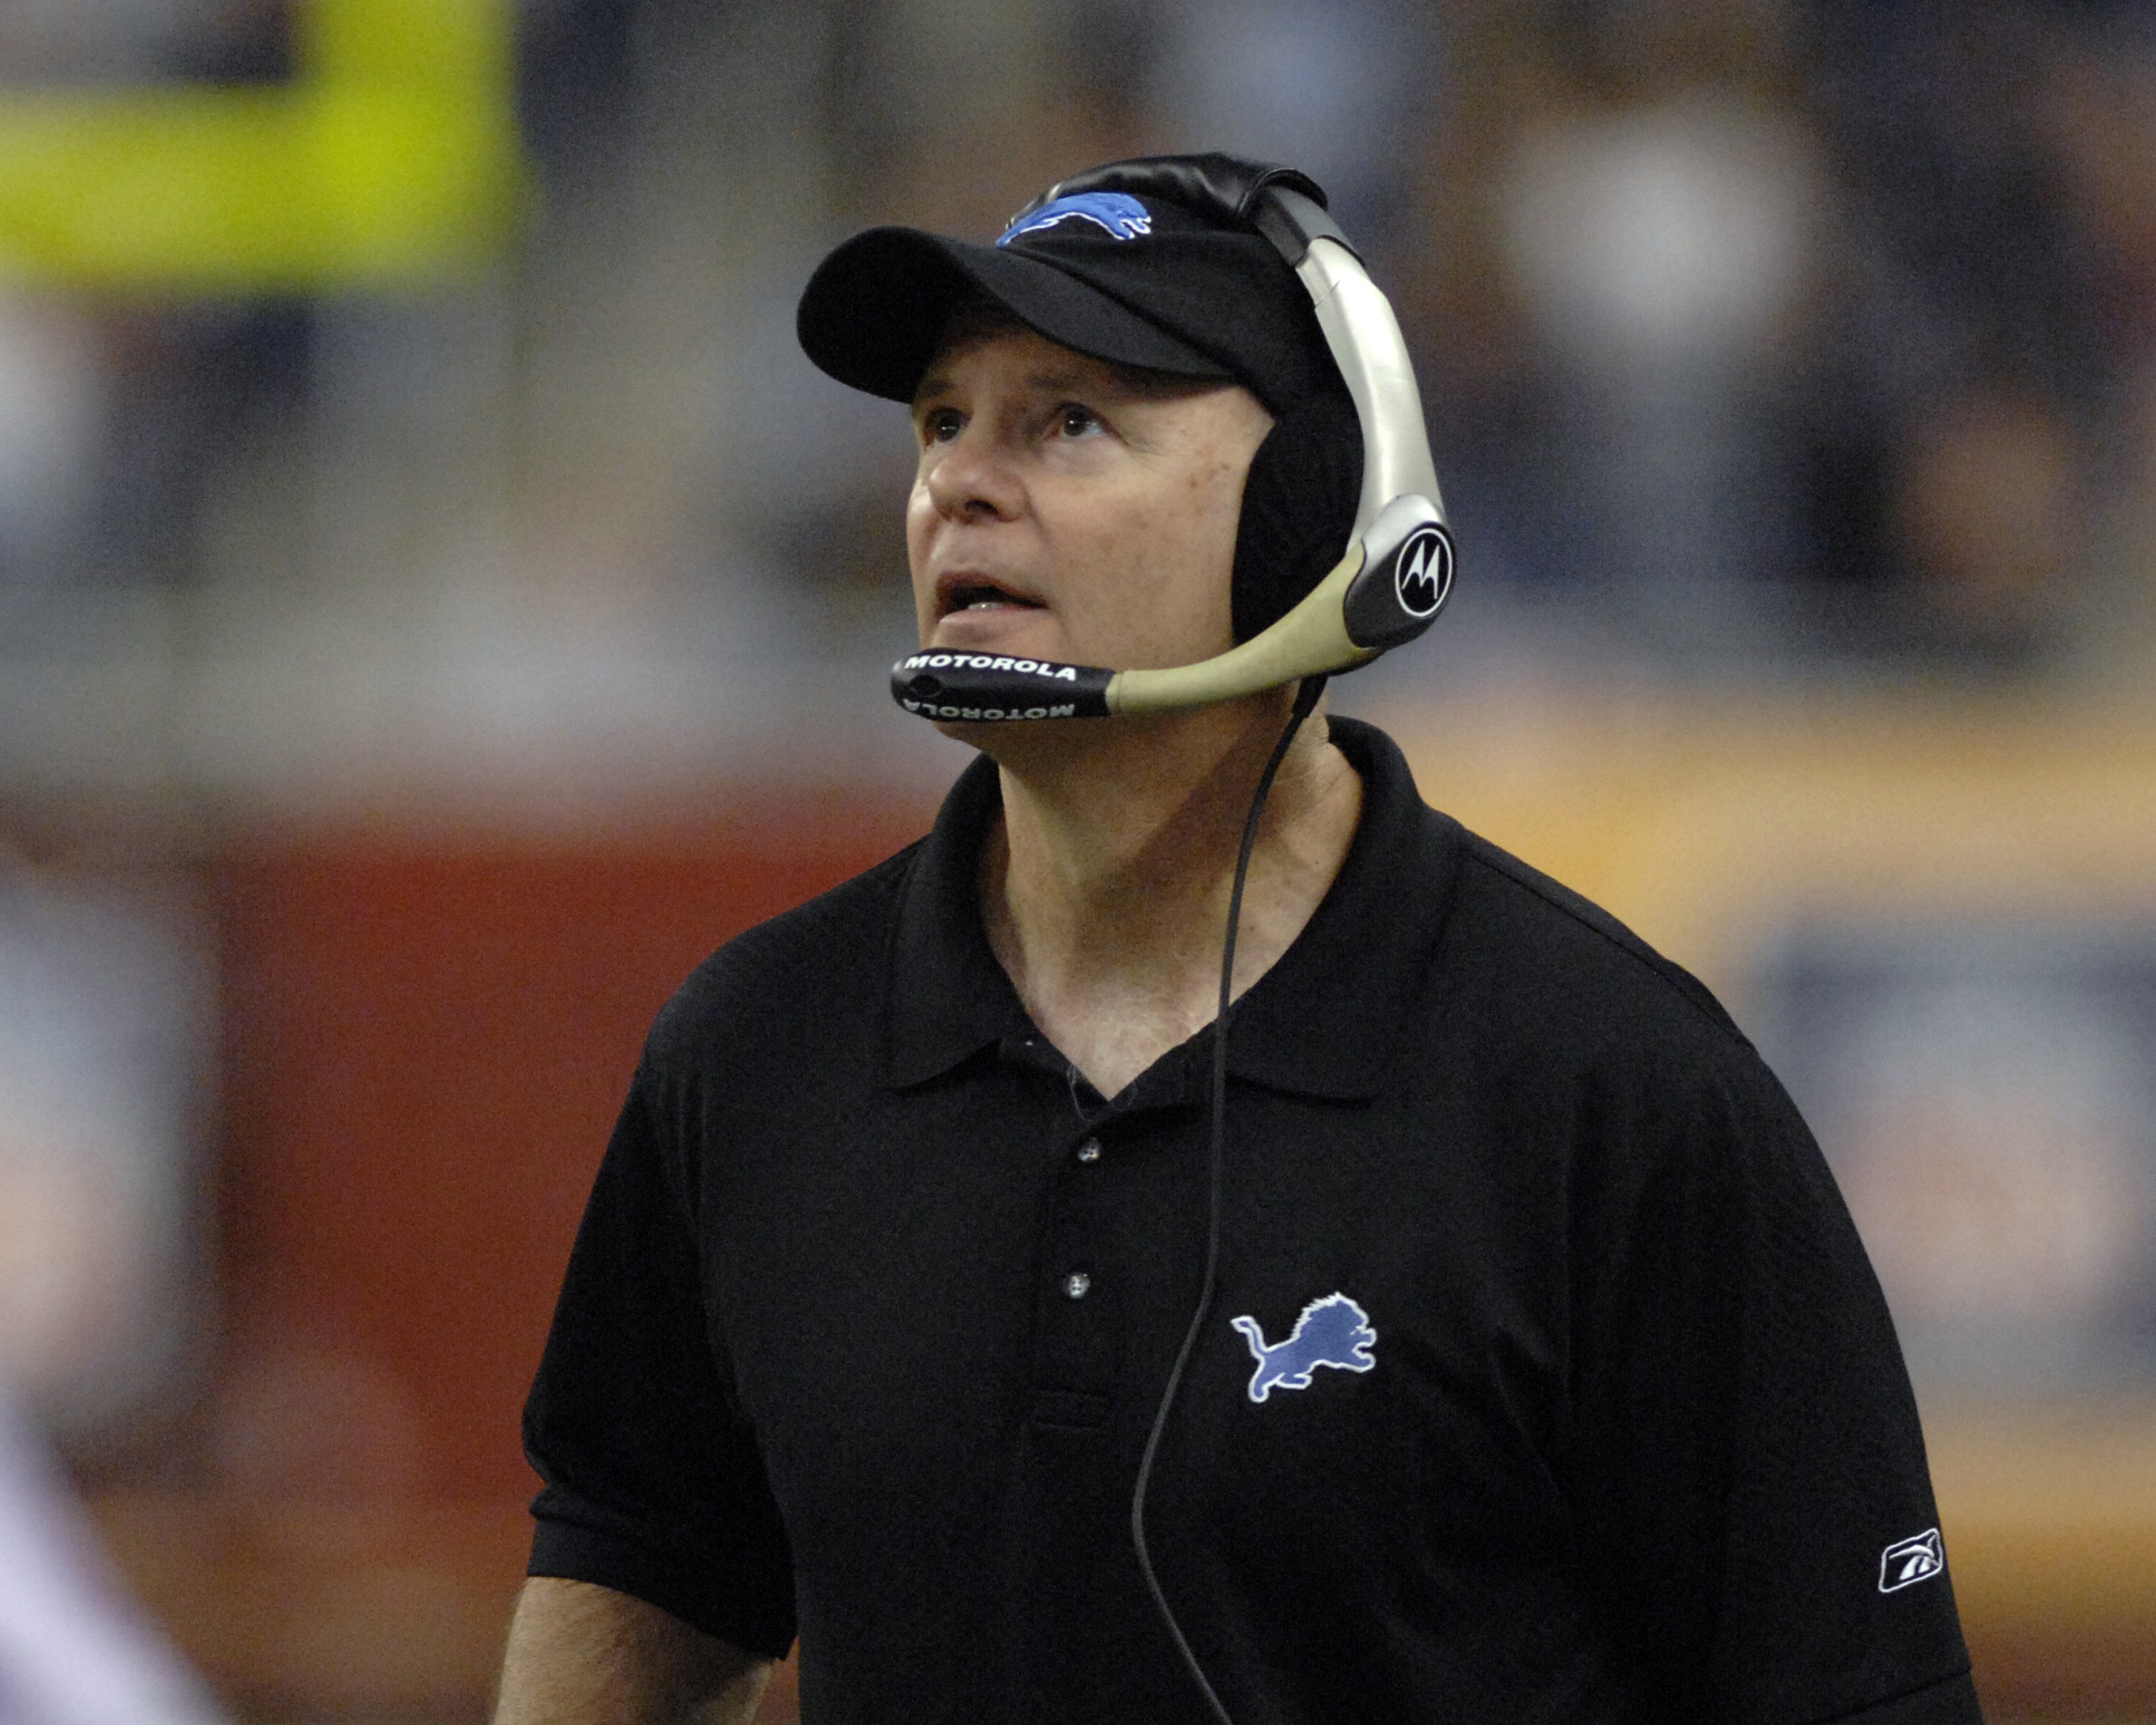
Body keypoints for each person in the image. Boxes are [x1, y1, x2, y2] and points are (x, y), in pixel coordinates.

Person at [493, 156, 1982, 1724]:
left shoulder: (1614, 1091)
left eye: (1069, 420)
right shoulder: (757, 1049)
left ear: (1316, 512)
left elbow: (1851, 1690)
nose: (960, 486)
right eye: (945, 420)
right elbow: (644, 1568)